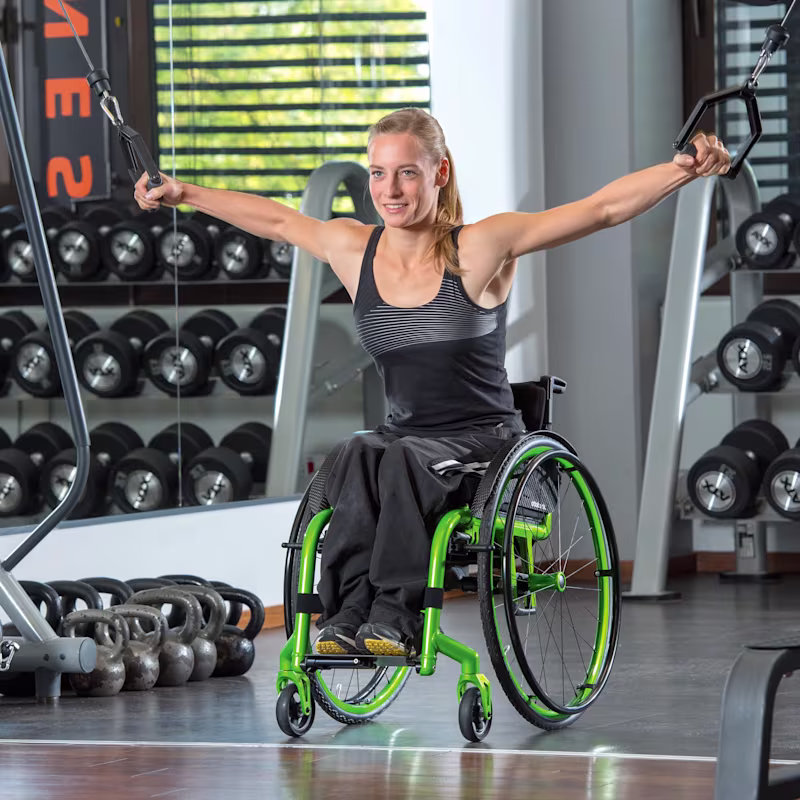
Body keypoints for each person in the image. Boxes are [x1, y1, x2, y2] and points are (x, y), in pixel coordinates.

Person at [135, 108, 730, 658]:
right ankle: (344, 616)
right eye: (378, 173)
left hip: (483, 443)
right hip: (405, 438)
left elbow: (600, 210)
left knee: (399, 461)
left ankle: (398, 615)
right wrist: (183, 194)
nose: (389, 191)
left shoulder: (480, 247)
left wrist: (681, 170)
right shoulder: (354, 249)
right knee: (353, 454)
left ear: (439, 172)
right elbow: (277, 219)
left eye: (407, 174)